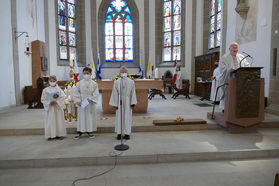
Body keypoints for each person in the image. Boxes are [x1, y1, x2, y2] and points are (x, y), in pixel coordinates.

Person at [217, 42, 250, 111]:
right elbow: (221, 68)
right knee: (227, 94)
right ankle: (225, 108)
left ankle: (237, 108)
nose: (235, 49)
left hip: (240, 79)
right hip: (228, 79)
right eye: (233, 48)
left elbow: (247, 65)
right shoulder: (224, 57)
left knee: (239, 94)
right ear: (229, 49)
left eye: (236, 48)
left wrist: (245, 69)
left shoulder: (241, 56)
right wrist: (229, 70)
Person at [109, 66, 137, 140]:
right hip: (119, 101)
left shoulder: (131, 81)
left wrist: (133, 103)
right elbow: (114, 93)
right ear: (119, 73)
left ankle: (127, 133)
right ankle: (119, 133)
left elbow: (133, 92)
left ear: (127, 73)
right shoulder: (117, 82)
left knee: (128, 117)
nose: (123, 73)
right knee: (119, 117)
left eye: (125, 72)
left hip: (128, 101)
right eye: (122, 72)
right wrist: (115, 104)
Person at [73, 67, 99, 140]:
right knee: (81, 117)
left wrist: (90, 99)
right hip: (81, 103)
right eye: (84, 73)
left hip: (90, 103)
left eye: (87, 73)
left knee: (89, 117)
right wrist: (78, 101)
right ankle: (80, 131)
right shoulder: (79, 83)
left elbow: (96, 93)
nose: (86, 75)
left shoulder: (94, 84)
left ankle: (90, 131)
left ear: (90, 74)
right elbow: (76, 92)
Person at [41, 75, 67, 140]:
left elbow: (63, 97)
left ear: (56, 81)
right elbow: (43, 99)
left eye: (53, 81)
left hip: (57, 107)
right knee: (50, 121)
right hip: (50, 108)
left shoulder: (59, 90)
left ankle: (59, 134)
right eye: (51, 81)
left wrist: (57, 102)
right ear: (48, 81)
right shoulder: (45, 90)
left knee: (58, 121)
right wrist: (49, 102)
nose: (52, 82)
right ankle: (50, 135)